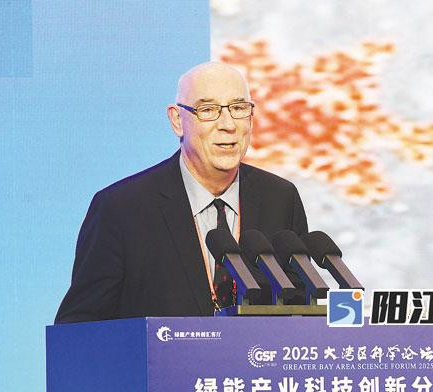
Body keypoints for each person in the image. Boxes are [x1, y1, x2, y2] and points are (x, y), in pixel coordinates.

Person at [55, 62, 308, 323]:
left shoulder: (280, 199)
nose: (228, 125)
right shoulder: (122, 209)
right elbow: (78, 328)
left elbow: (303, 315)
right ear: (177, 120)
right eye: (208, 110)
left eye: (239, 108)